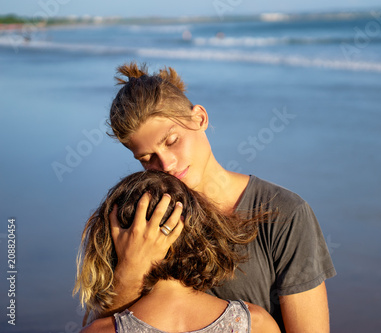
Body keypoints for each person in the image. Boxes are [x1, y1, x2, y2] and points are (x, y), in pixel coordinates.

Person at [104, 62, 336, 332]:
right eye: (147, 158)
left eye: (172, 141)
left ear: (199, 118)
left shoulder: (284, 215)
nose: (165, 164)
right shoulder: (145, 221)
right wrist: (130, 269)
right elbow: (107, 326)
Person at [74, 170, 280, 332]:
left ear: (106, 247)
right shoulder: (254, 323)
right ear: (200, 236)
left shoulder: (100, 329)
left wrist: (126, 274)